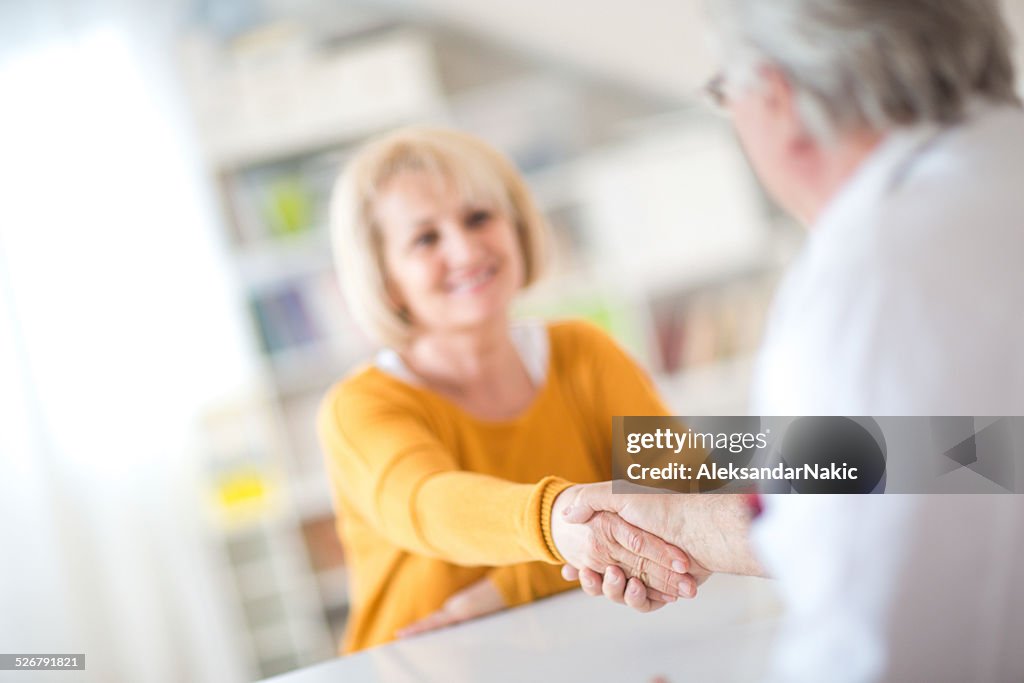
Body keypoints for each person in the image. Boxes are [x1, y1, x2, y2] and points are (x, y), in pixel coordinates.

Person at [558, 1, 1024, 680]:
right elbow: (972, 455)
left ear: (776, 98)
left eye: (727, 95)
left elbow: (879, 643)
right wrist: (682, 522)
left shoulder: (872, 279)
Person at [317, 127, 699, 653]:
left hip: (582, 649)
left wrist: (511, 587)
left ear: (516, 227)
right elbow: (429, 503)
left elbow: (680, 489)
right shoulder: (360, 408)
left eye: (479, 217)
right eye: (426, 238)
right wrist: (563, 526)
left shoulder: (582, 351)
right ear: (386, 280)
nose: (465, 248)